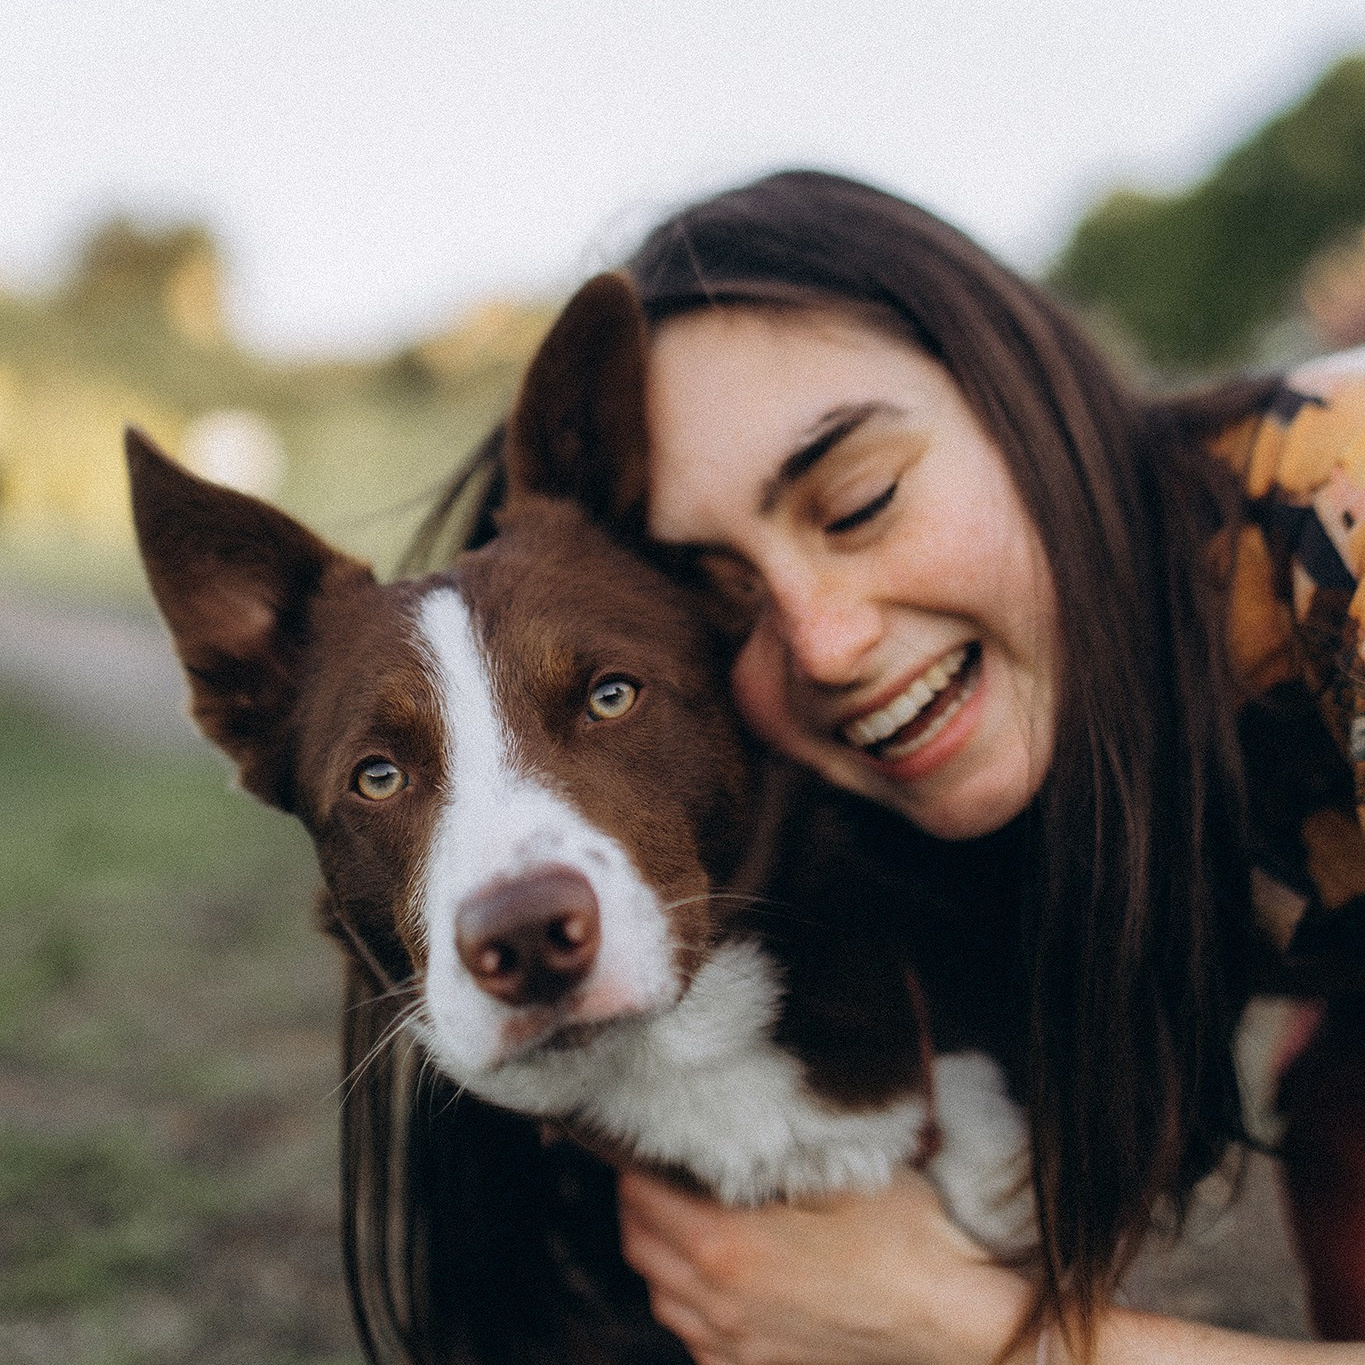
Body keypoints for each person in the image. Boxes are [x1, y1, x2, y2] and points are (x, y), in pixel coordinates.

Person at [396, 171, 1364, 1364]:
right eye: (724, 592)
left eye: (858, 501)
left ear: (1023, 392)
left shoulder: (1347, 521)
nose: (827, 643)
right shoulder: (919, 809)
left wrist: (973, 1334)